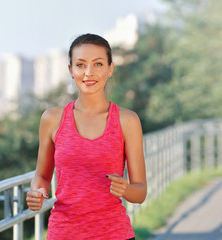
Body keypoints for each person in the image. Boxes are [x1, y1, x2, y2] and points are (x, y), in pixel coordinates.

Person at [26, 33, 147, 240]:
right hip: (63, 233)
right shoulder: (52, 119)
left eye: (98, 64)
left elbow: (140, 191)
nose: (88, 73)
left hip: (114, 234)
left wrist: (126, 189)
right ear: (71, 70)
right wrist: (37, 192)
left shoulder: (127, 121)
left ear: (110, 69)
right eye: (80, 65)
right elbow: (43, 175)